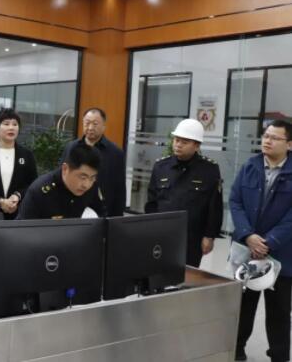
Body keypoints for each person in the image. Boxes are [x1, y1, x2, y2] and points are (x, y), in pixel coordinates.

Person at [231, 120, 292, 362]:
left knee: (279, 311)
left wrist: (269, 242)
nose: (267, 141)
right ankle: (236, 350)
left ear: (289, 144)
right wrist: (248, 235)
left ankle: (279, 355)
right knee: (243, 306)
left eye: (275, 138)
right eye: (266, 136)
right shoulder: (250, 166)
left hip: (282, 253)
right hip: (247, 250)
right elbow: (235, 201)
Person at [145, 118, 223, 267]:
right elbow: (152, 203)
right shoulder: (161, 166)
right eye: (176, 140)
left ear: (196, 145)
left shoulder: (209, 169)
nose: (178, 145)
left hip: (192, 237)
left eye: (184, 142)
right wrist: (150, 230)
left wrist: (209, 236)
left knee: (187, 275)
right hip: (162, 233)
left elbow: (215, 206)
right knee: (158, 272)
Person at [61, 108, 126, 217]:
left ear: (104, 126)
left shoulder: (115, 153)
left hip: (102, 209)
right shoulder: (71, 147)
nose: (90, 127)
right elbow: (61, 175)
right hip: (72, 206)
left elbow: (119, 187)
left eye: (95, 124)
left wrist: (118, 216)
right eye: (87, 123)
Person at [19, 144, 104, 220]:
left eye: (92, 177)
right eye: (82, 177)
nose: (86, 185)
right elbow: (23, 228)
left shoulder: (91, 186)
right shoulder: (40, 191)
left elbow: (102, 217)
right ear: (65, 169)